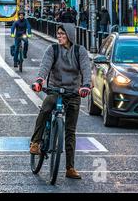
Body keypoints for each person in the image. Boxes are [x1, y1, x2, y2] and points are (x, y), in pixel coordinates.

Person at [29, 23, 92, 179]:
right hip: (55, 90)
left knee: (70, 131)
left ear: (70, 35)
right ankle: (35, 142)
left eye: (62, 34)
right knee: (45, 109)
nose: (59, 36)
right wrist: (39, 81)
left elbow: (86, 69)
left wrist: (85, 86)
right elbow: (45, 66)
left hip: (73, 92)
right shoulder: (53, 49)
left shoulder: (80, 51)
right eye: (58, 33)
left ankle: (70, 168)